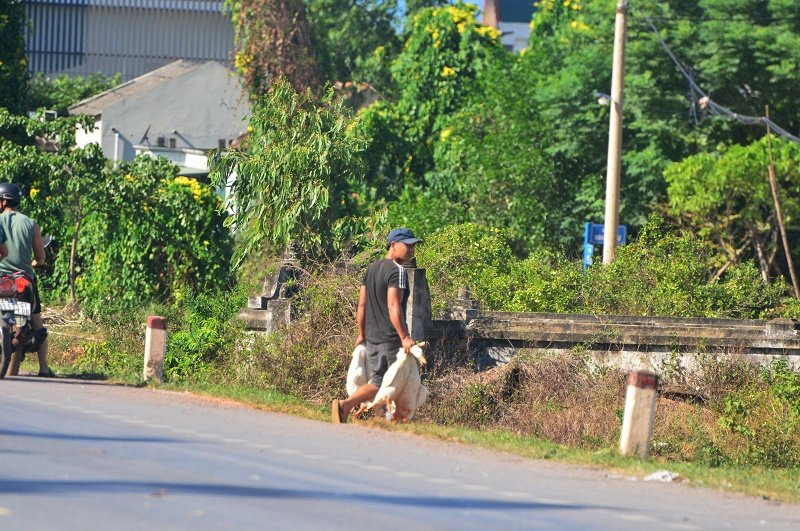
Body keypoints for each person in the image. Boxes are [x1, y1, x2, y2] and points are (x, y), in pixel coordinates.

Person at [332, 227, 422, 424]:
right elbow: (393, 306)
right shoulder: (397, 271)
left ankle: (379, 420)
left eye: (413, 247)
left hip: (373, 337)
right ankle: (346, 405)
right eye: (407, 246)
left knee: (380, 381)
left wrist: (361, 334)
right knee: (387, 383)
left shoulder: (372, 268)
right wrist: (405, 337)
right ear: (393, 245)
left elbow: (362, 305)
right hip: (390, 338)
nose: (411, 251)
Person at [0, 182, 53, 377]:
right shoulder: (31, 223)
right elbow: (40, 257)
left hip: (1, 280)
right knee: (36, 321)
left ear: (3, 201)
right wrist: (35, 262)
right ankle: (44, 368)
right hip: (23, 281)